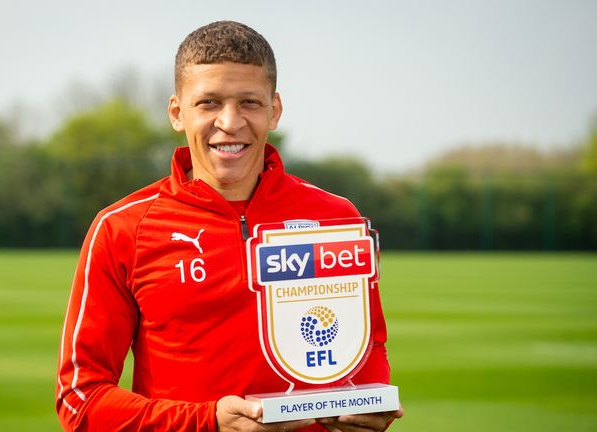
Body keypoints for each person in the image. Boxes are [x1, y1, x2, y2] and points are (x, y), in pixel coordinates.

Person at [55, 20, 403, 431]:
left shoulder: (336, 218)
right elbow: (81, 398)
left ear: (274, 110)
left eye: (250, 103)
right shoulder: (121, 228)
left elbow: (366, 352)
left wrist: (371, 402)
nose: (230, 121)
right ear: (176, 112)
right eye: (209, 103)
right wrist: (207, 422)